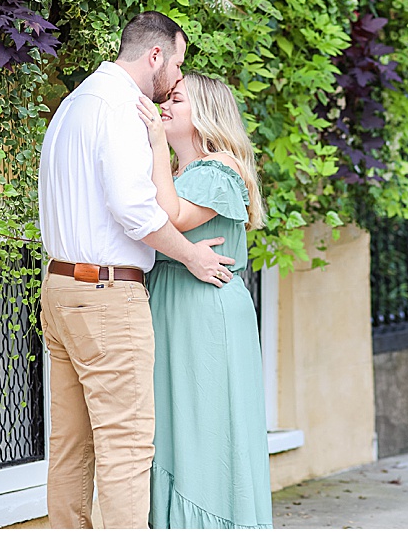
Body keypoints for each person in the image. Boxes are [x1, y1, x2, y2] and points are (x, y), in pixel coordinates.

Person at [38, 12, 236, 529]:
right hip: (106, 295)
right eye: (178, 64)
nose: (176, 78)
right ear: (155, 57)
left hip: (59, 289)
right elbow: (136, 211)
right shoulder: (121, 110)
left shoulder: (74, 105)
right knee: (126, 448)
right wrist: (191, 254)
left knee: (69, 448)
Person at [135, 74, 273, 529]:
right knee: (174, 432)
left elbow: (172, 215)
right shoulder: (178, 173)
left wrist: (155, 142)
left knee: (206, 433)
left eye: (176, 99)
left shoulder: (220, 169)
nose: (165, 106)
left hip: (205, 313)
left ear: (206, 113)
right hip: (173, 306)